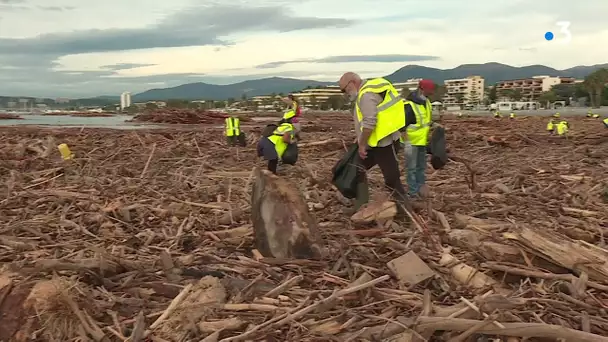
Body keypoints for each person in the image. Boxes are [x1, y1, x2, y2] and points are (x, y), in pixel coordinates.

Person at [338, 72, 409, 213]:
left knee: (392, 179)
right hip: (377, 141)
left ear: (352, 83)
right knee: (357, 168)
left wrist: (362, 143)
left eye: (345, 90)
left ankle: (405, 212)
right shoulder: (374, 87)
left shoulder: (366, 95)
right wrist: (360, 137)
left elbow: (370, 123)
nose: (346, 94)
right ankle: (361, 207)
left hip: (384, 143)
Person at [403, 79, 439, 198]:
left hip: (422, 142)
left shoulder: (426, 102)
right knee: (411, 168)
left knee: (421, 167)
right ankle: (413, 192)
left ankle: (421, 189)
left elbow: (425, 121)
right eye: (429, 91)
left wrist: (433, 124)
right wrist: (407, 143)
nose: (430, 94)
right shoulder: (409, 105)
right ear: (421, 89)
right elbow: (402, 126)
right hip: (412, 143)